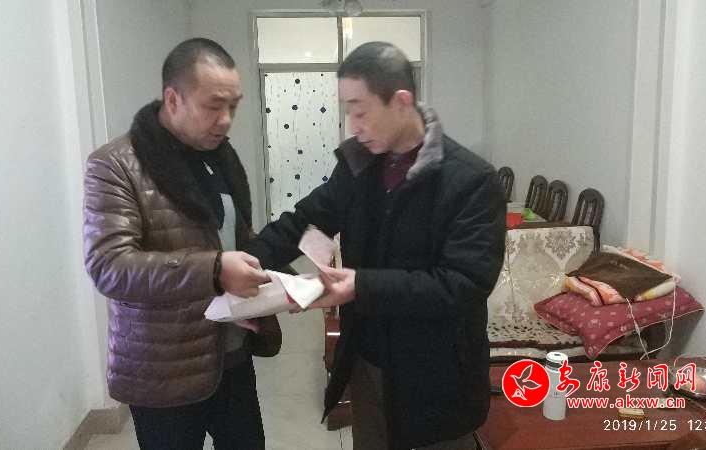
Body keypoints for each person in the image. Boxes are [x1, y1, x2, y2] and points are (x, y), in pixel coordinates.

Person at [246, 41, 507, 449]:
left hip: (436, 374)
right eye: (347, 111)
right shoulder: (359, 166)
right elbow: (307, 221)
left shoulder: (470, 181)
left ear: (401, 102)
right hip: (368, 360)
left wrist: (361, 286)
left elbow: (463, 283)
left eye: (360, 111)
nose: (353, 125)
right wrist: (248, 263)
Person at [83, 38, 279, 450]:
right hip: (162, 371)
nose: (226, 120)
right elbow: (109, 267)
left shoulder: (220, 156)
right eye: (214, 106)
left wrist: (278, 283)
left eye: (233, 106)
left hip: (231, 353)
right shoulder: (115, 165)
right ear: (173, 99)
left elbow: (234, 237)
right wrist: (214, 270)